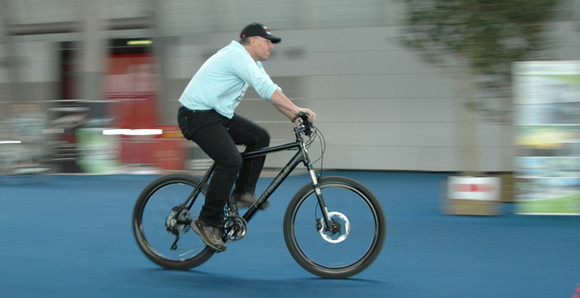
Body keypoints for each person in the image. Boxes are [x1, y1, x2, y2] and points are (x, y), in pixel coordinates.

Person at [177, 23, 316, 252]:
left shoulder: (253, 62)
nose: (271, 46)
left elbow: (272, 91)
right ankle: (207, 221)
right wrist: (297, 109)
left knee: (259, 137)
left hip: (216, 115)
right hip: (195, 115)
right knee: (231, 160)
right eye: (267, 40)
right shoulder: (236, 55)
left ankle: (242, 192)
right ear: (252, 40)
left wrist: (296, 116)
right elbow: (264, 88)